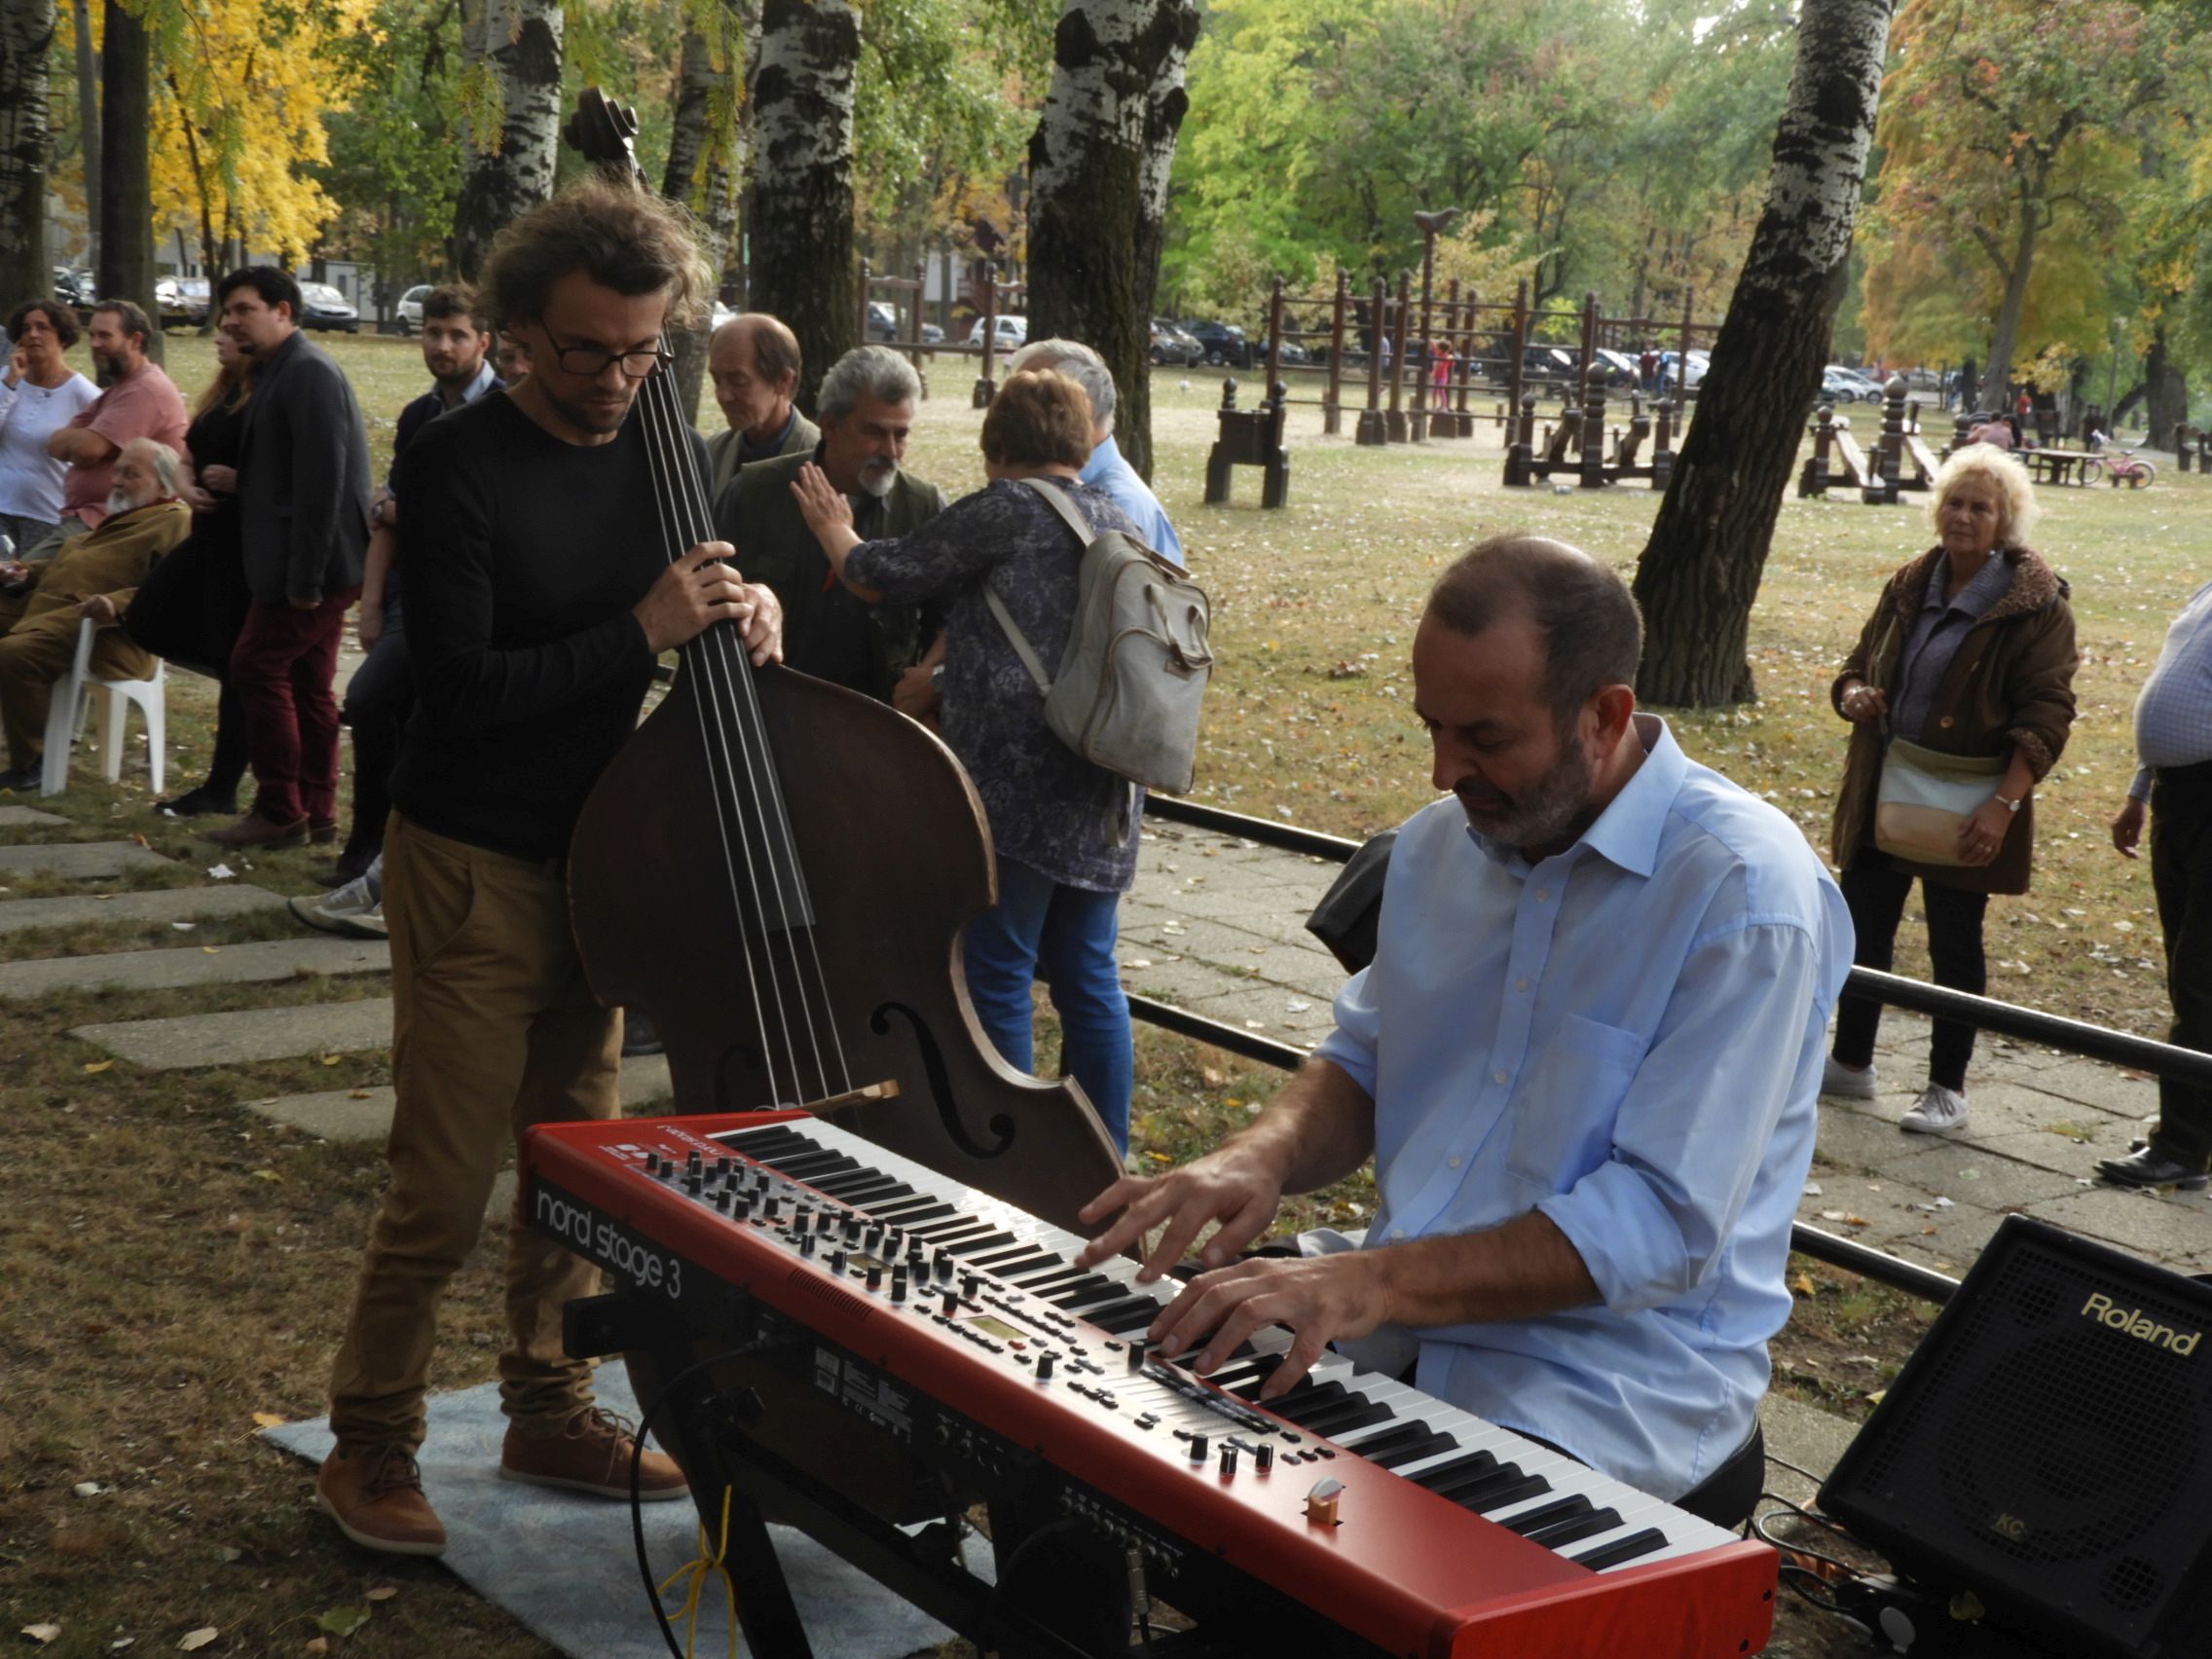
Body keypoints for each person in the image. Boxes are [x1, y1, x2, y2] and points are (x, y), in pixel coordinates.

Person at [1069, 536, 1850, 1517]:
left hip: (1608, 1384)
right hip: (1396, 1317)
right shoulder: (1445, 847)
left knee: (1357, 1576)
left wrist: (1372, 1283)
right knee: (1087, 1385)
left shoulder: (1742, 895)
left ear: (1605, 716)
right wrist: (1254, 1157)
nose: (1444, 771)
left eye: (1483, 737)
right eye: (1430, 727)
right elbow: (1367, 1056)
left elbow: (1659, 1226)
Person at [317, 176, 784, 1559]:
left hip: (603, 867)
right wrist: (644, 626)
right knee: (443, 1182)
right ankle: (373, 1443)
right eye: (585, 350)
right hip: (469, 862)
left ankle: (546, 1404)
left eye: (643, 351)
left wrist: (737, 609)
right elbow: (451, 691)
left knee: (575, 1167)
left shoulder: (663, 447)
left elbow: (686, 595)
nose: (615, 380)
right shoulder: (460, 465)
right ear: (518, 333)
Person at [791, 369, 1144, 1153]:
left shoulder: (1006, 509)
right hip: (1106, 782)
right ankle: (1106, 1151)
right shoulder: (1119, 518)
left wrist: (831, 528)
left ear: (997, 447)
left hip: (1018, 784)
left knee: (1000, 966)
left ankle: (1010, 1151)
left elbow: (882, 578)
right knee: (1090, 975)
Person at [1823, 444, 2078, 1134]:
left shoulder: (2036, 608)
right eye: (1955, 503)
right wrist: (1855, 695)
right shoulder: (1911, 581)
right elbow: (1855, 666)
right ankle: (1851, 1063)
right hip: (1886, 790)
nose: (1964, 517)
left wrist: (2004, 804)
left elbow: (2047, 716)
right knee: (1861, 930)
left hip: (1968, 802)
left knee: (1955, 946)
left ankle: (1947, 1089)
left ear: (2006, 521)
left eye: (1981, 507)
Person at [330, 284, 503, 889]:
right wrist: (371, 604)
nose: (443, 345)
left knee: (412, 713)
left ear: (485, 341)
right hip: (413, 598)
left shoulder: (507, 412)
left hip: (481, 604)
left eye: (457, 334)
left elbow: (478, 521)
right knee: (373, 703)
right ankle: (367, 844)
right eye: (434, 333)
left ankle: (402, 856)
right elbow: (386, 520)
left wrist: (403, 512)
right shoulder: (418, 417)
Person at [203, 267, 373, 851]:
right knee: (307, 685)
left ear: (284, 312)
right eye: (227, 311)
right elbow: (288, 471)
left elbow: (323, 485)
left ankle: (280, 809)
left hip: (314, 570)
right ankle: (318, 813)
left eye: (244, 309)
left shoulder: (308, 373)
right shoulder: (282, 371)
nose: (230, 320)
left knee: (256, 667)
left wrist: (304, 581)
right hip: (309, 566)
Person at [715, 345, 945, 706]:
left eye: (900, 435)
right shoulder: (753, 494)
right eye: (874, 432)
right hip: (765, 714)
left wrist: (928, 683)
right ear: (830, 426)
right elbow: (709, 603)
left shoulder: (923, 507)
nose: (891, 450)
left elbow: (950, 622)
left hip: (878, 723)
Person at [0, 438, 192, 789]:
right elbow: (79, 564)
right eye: (116, 472)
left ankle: (33, 762)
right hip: (53, 610)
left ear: (164, 483)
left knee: (16, 654)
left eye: (131, 474)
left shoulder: (174, 521)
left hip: (109, 632)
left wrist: (115, 604)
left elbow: (174, 590)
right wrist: (28, 571)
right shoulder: (125, 515)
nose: (116, 481)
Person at [2102, 580, 2212, 1190]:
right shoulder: (2207, 589)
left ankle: (2182, 1148)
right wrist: (2140, 791)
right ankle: (2191, 1127)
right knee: (2186, 973)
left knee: (2201, 980)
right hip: (2180, 796)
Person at [123, 330, 258, 818]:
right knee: (145, 615)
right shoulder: (220, 392)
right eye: (221, 326)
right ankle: (233, 670)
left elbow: (289, 473)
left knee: (236, 670)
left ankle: (222, 786)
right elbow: (187, 456)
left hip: (241, 545)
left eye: (231, 329)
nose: (220, 337)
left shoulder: (266, 396)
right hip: (206, 535)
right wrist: (185, 483)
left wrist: (242, 484)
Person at [1009, 337, 1183, 568]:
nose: (1006, 416)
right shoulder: (1059, 487)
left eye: (1027, 401)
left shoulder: (1117, 507)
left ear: (1077, 410)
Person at [37, 300, 187, 559]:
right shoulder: (119, 389)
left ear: (135, 340)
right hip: (90, 520)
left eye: (105, 336)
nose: (94, 344)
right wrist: (77, 439)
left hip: (110, 527)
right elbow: (53, 444)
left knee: (16, 581)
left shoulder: (145, 390)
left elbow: (86, 449)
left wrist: (83, 441)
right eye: (92, 335)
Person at [0, 300, 100, 552]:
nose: (33, 334)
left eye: (42, 327)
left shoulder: (84, 394)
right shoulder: (5, 378)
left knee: (28, 585)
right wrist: (10, 383)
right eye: (26, 328)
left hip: (47, 514)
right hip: (2, 507)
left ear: (62, 337)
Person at [703, 312, 817, 498]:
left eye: (738, 381)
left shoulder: (820, 459)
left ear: (784, 381)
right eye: (716, 380)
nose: (723, 395)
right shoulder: (712, 452)